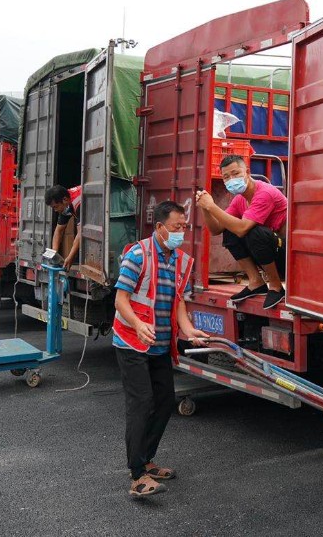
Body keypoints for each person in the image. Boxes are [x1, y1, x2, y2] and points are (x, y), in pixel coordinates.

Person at [112, 200, 210, 499]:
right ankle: (137, 475)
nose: (181, 232)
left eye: (184, 227)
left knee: (165, 400)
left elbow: (178, 300)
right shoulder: (138, 255)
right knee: (141, 403)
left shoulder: (180, 260)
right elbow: (120, 300)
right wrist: (138, 326)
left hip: (159, 345)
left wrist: (188, 329)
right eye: (176, 227)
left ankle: (147, 459)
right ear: (159, 227)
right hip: (132, 341)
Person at [195, 155, 288, 310]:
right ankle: (255, 281)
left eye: (236, 173)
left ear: (247, 172)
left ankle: (276, 287)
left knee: (254, 232)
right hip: (270, 255)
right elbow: (216, 229)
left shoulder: (264, 193)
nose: (232, 179)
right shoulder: (240, 199)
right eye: (226, 177)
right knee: (229, 231)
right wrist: (205, 208)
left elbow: (242, 228)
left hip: (288, 256)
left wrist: (212, 207)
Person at [44, 184, 82, 271]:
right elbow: (59, 230)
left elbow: (81, 234)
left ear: (64, 200)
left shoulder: (78, 201)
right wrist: (54, 254)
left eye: (55, 207)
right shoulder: (66, 202)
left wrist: (70, 257)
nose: (55, 210)